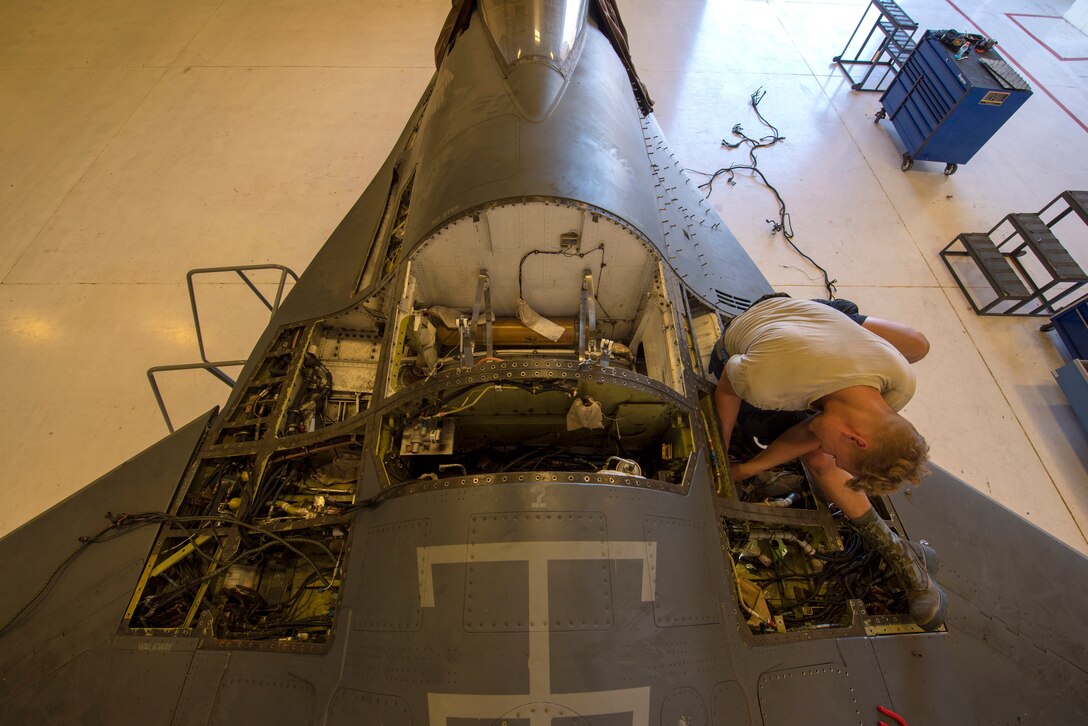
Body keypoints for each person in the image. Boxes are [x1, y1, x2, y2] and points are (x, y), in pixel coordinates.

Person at [709, 294, 946, 631]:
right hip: (765, 330)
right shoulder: (767, 382)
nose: (833, 458)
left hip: (823, 329)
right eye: (842, 456)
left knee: (819, 448)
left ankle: (902, 553)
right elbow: (727, 390)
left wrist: (747, 470)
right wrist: (720, 456)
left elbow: (822, 433)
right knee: (765, 435)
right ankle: (902, 553)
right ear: (857, 439)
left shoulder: (900, 381)